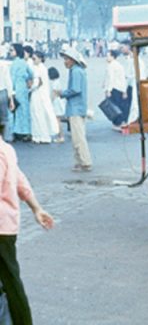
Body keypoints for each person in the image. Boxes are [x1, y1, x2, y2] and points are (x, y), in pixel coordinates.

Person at [0, 122, 54, 324]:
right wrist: (36, 208)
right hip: (7, 227)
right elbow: (20, 181)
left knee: (9, 282)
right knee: (10, 279)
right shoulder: (7, 149)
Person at [56, 47, 92, 172]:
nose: (64, 61)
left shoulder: (76, 71)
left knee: (78, 138)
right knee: (77, 137)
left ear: (72, 60)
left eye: (66, 59)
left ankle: (85, 162)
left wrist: (62, 93)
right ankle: (79, 161)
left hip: (76, 108)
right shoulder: (77, 70)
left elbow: (75, 89)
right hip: (78, 107)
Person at [29, 51, 58, 144]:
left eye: (34, 58)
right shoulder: (40, 68)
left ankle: (41, 136)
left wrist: (29, 87)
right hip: (41, 94)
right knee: (40, 115)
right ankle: (40, 136)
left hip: (38, 94)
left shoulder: (39, 68)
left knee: (38, 115)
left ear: (40, 59)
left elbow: (37, 83)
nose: (33, 60)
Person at [9, 44, 33, 142]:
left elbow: (12, 78)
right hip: (23, 88)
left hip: (17, 88)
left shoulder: (14, 64)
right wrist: (28, 80)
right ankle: (26, 131)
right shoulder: (24, 62)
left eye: (12, 50)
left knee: (15, 110)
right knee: (24, 110)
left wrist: (11, 90)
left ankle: (17, 131)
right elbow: (31, 73)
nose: (10, 52)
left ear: (17, 51)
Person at [121, 43, 147, 126]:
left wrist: (124, 89)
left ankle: (132, 121)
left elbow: (130, 76)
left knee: (135, 104)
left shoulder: (135, 61)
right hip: (139, 83)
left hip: (136, 83)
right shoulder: (139, 61)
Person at [103, 50, 128, 130]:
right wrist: (124, 91)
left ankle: (117, 123)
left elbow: (111, 78)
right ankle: (121, 122)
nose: (107, 57)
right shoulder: (119, 65)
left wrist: (108, 90)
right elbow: (123, 78)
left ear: (113, 57)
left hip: (114, 88)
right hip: (119, 88)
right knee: (119, 106)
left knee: (113, 107)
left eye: (108, 56)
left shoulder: (111, 65)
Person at [48, 67, 65, 143]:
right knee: (58, 120)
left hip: (56, 103)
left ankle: (60, 136)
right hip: (60, 101)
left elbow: (54, 94)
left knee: (57, 120)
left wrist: (50, 102)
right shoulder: (58, 81)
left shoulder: (54, 83)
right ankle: (60, 136)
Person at [0, 54, 14, 142]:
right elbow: (8, 82)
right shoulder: (3, 65)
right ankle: (4, 138)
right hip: (3, 93)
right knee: (4, 118)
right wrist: (11, 99)